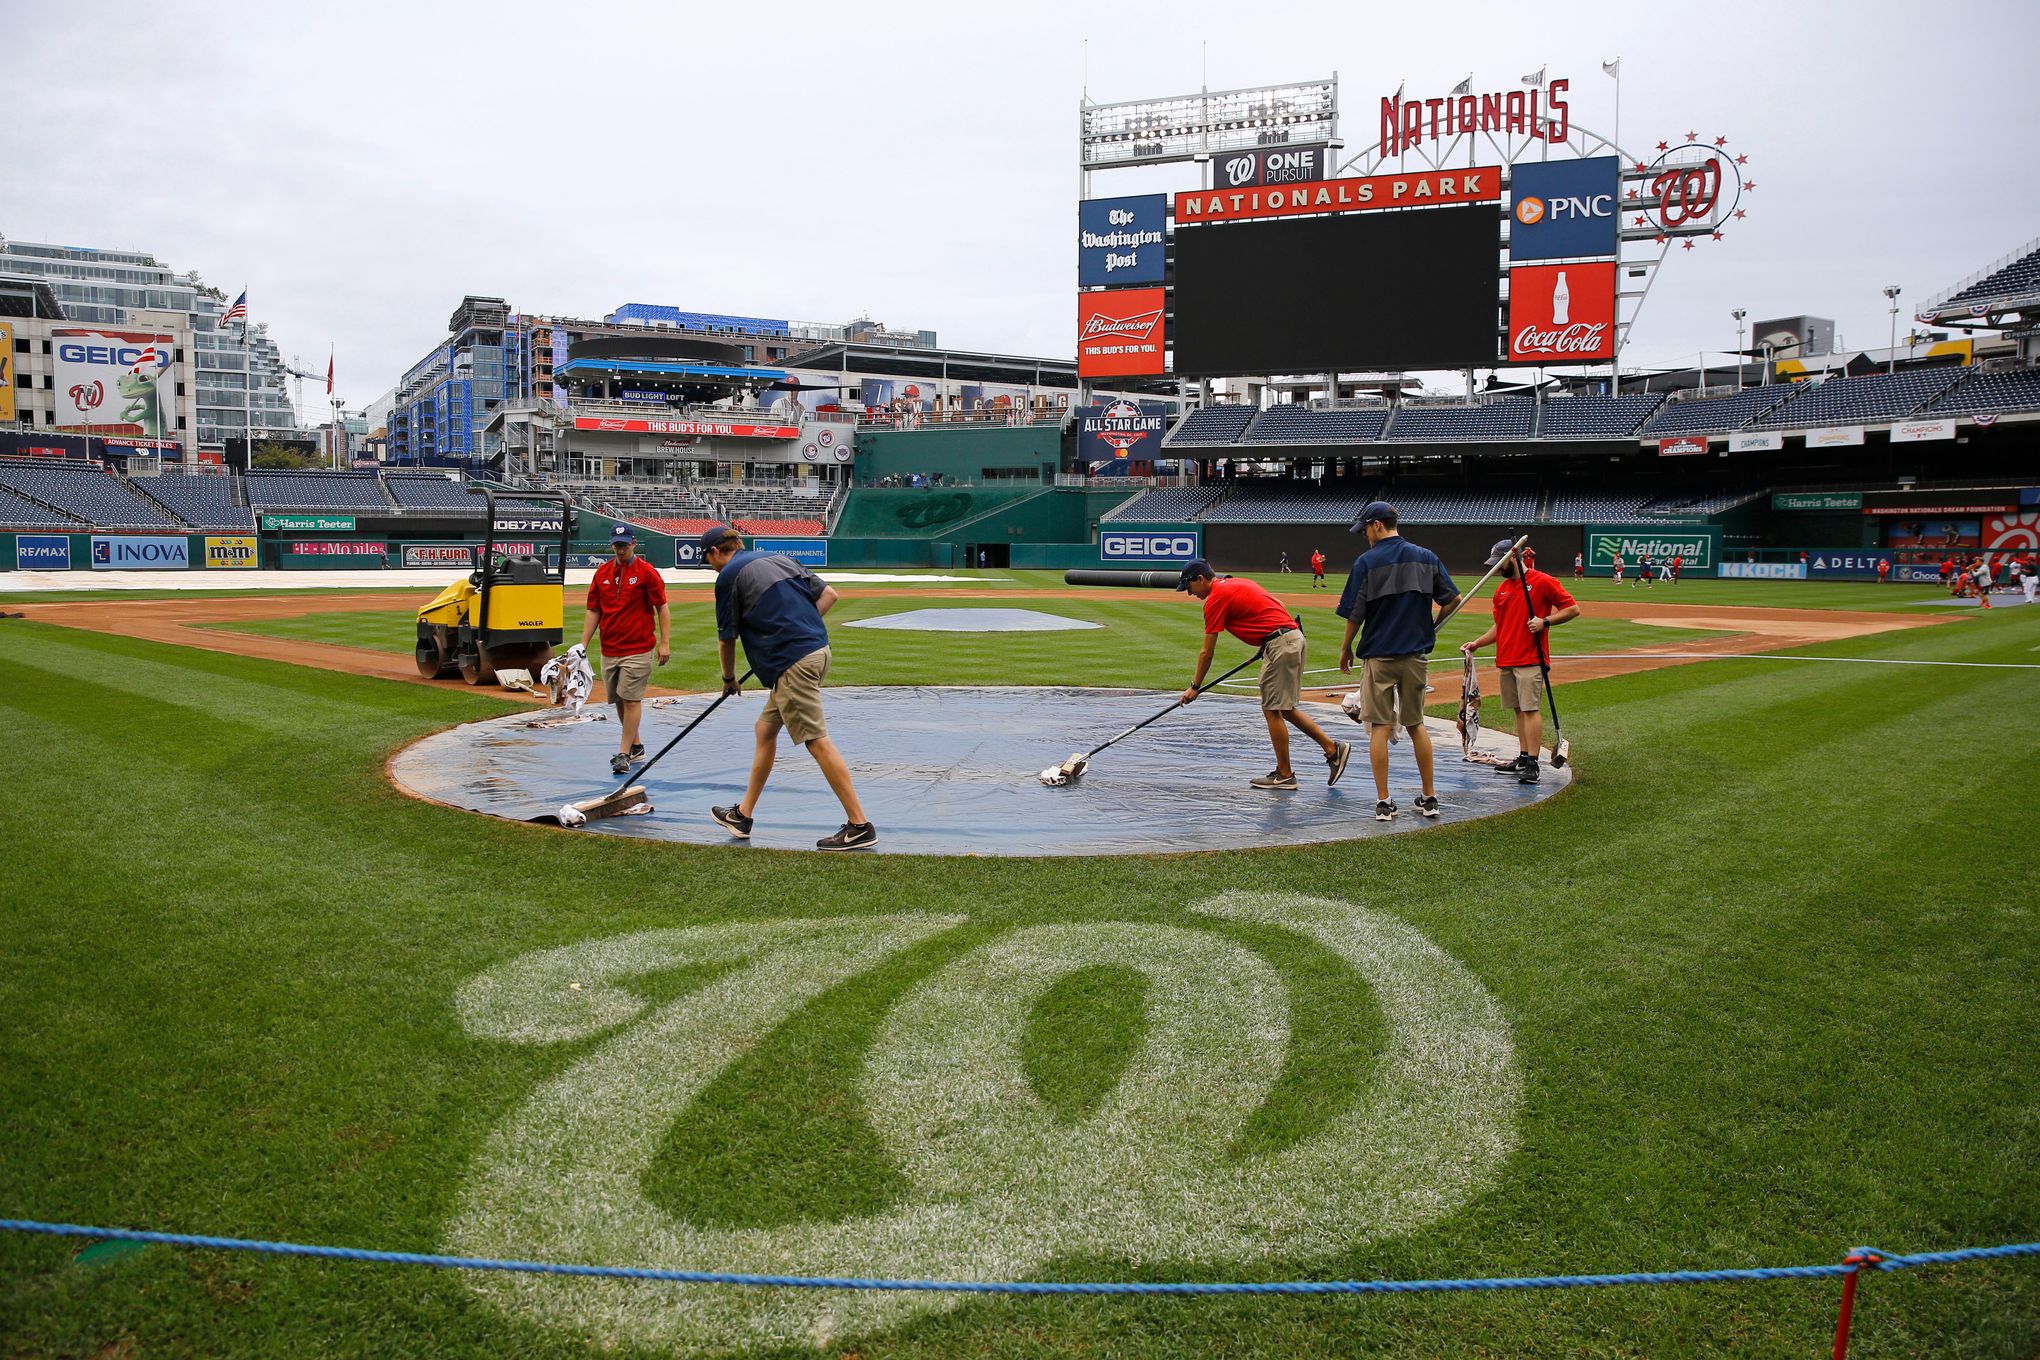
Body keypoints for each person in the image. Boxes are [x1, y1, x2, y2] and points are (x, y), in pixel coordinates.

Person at [702, 525, 876, 850]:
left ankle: (859, 825)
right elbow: (828, 596)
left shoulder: (728, 577)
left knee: (816, 741)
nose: (710, 566)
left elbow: (727, 637)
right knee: (765, 730)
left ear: (715, 552)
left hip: (793, 661)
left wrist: (729, 679)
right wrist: (800, 631)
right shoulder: (779, 558)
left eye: (707, 559)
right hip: (816, 652)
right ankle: (743, 815)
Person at [1176, 560, 1350, 791]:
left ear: (1200, 579)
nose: (1189, 593)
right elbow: (1273, 603)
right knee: (1283, 708)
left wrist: (1195, 686)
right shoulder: (1234, 582)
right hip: (1289, 637)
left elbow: (1207, 651)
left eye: (1189, 587)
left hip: (1281, 643)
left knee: (1272, 709)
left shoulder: (1216, 598)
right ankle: (1331, 749)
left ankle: (1285, 774)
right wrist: (1267, 639)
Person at [1335, 501, 1460, 823]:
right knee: (1416, 725)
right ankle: (1429, 797)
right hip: (1414, 657)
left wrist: (1346, 648)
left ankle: (1383, 801)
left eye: (1365, 529)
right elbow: (1452, 600)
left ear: (1377, 524)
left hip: (1379, 655)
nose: (1365, 536)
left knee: (1379, 726)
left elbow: (1354, 612)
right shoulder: (1426, 557)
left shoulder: (1367, 562)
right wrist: (1430, 626)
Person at [1460, 538, 1580, 783]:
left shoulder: (1543, 582)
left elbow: (1572, 608)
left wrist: (1544, 622)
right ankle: (1524, 756)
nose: (1495, 569)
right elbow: (1499, 626)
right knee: (1518, 709)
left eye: (1499, 563)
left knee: (1530, 708)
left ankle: (1533, 763)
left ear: (1513, 558)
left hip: (1530, 658)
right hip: (1506, 658)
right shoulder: (1502, 590)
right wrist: (1477, 643)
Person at [581, 524, 670, 776]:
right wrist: (583, 644)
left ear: (633, 543)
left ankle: (623, 753)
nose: (620, 549)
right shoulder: (602, 573)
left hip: (638, 647)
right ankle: (636, 745)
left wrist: (664, 643)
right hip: (610, 647)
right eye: (616, 545)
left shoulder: (646, 572)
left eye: (624, 544)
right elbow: (593, 609)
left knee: (631, 698)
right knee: (619, 698)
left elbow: (661, 607)